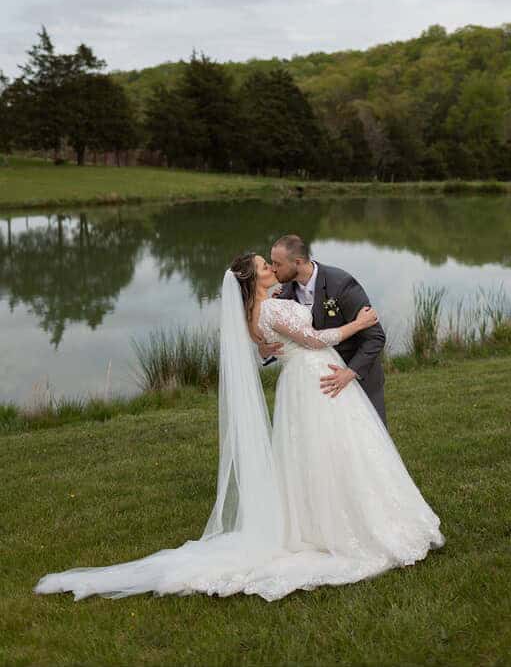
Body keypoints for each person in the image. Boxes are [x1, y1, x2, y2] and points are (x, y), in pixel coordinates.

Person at [34, 253, 443, 602]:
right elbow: (317, 340)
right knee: (337, 449)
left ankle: (315, 520)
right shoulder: (273, 308)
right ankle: (348, 523)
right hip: (317, 377)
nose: (272, 267)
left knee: (312, 453)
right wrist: (360, 322)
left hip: (295, 386)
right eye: (266, 266)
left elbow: (273, 345)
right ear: (255, 277)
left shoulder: (253, 315)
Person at [263, 234, 388, 425]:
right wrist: (265, 351)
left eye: (277, 264)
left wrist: (349, 373)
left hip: (356, 377)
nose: (272, 268)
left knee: (368, 443)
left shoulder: (342, 284)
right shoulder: (284, 293)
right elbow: (288, 337)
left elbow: (375, 337)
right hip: (318, 386)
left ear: (297, 262)